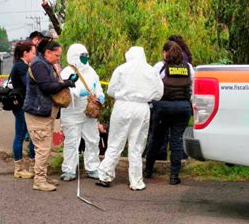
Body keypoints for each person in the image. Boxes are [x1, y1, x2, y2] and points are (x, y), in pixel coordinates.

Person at [96, 47, 163, 191]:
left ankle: (105, 175)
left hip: (122, 106)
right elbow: (159, 93)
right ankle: (136, 181)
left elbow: (111, 90)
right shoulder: (150, 70)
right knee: (137, 146)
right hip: (142, 108)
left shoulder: (121, 69)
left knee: (115, 142)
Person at [23, 41, 79, 191]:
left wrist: (65, 81)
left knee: (45, 147)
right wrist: (65, 84)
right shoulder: (38, 65)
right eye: (56, 55)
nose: (58, 58)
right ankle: (39, 181)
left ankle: (42, 176)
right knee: (43, 147)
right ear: (47, 52)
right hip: (37, 112)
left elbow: (52, 82)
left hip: (44, 112)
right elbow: (47, 86)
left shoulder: (46, 64)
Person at [145, 41, 194, 185]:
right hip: (183, 107)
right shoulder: (188, 67)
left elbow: (152, 86)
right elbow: (192, 88)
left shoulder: (160, 66)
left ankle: (148, 170)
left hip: (163, 107)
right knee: (177, 140)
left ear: (165, 52)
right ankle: (174, 176)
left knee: (156, 139)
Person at [59, 43, 105, 181]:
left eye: (86, 55)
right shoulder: (67, 72)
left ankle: (93, 167)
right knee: (72, 141)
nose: (85, 58)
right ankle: (69, 169)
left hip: (88, 112)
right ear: (74, 56)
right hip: (71, 113)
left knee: (92, 139)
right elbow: (66, 89)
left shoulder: (91, 71)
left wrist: (100, 95)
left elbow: (97, 86)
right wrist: (79, 92)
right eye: (82, 56)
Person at [10, 41, 37, 179]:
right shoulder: (21, 66)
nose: (35, 55)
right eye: (33, 52)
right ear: (25, 53)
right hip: (21, 106)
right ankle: (19, 169)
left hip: (24, 105)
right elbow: (29, 84)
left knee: (30, 136)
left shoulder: (23, 65)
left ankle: (32, 167)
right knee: (20, 136)